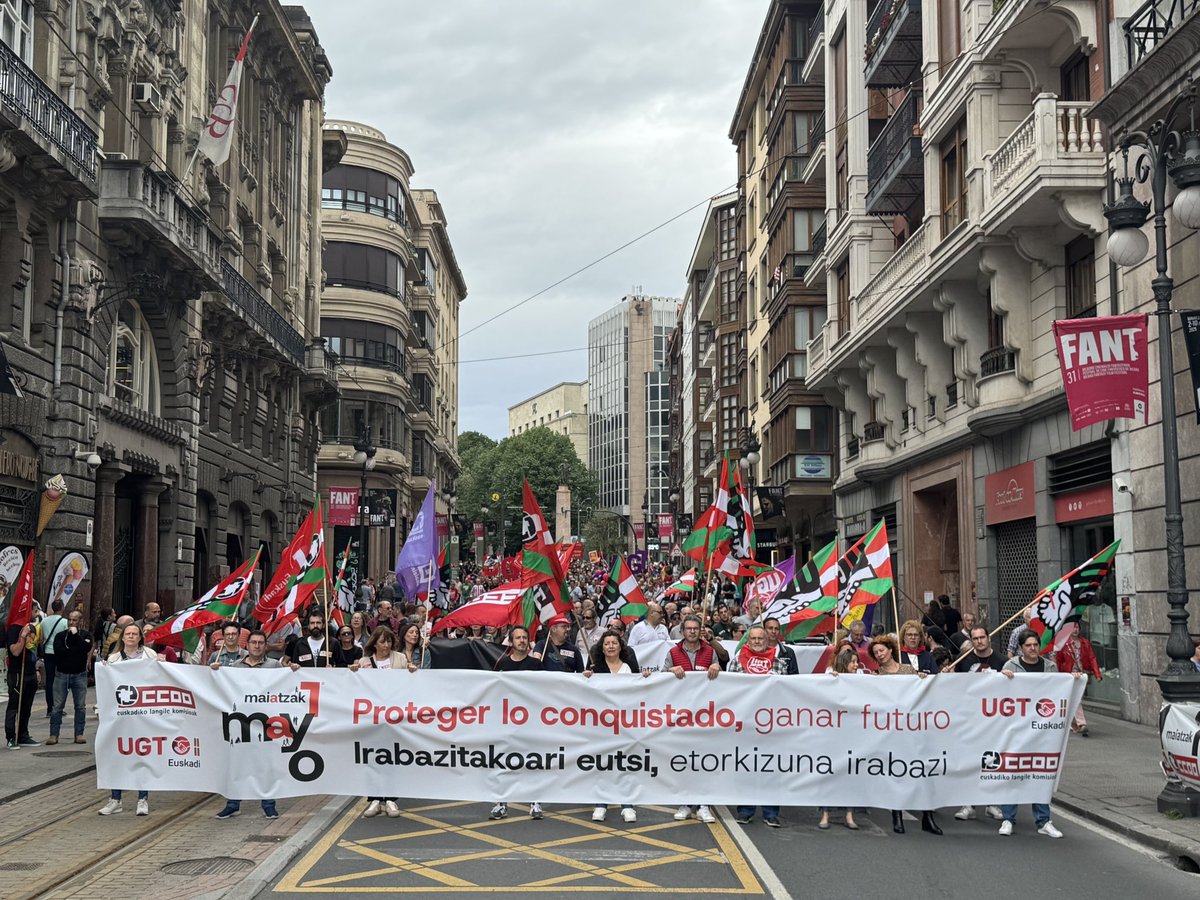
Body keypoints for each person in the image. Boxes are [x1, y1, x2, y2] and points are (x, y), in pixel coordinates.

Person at [997, 629, 1079, 838]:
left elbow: (1060, 689)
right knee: (1013, 772)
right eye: (1028, 645)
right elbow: (999, 694)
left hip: (1042, 731)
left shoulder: (1049, 666)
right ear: (1021, 647)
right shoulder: (1011, 666)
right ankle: (1008, 818)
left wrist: (1073, 679)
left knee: (1042, 773)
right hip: (1017, 729)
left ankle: (1043, 820)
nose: (1033, 649)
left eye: (1035, 645)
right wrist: (1002, 678)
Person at [213, 631, 289, 820]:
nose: (257, 646)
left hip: (266, 725)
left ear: (265, 645)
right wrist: (215, 673)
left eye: (261, 643)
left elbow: (287, 686)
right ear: (247, 645)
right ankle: (233, 804)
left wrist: (294, 669)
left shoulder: (275, 666)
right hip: (241, 724)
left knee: (266, 766)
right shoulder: (237, 667)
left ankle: (268, 805)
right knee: (237, 765)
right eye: (253, 642)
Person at [871, 635, 940, 836]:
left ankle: (928, 817)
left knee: (923, 772)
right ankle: (897, 816)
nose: (879, 655)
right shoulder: (877, 676)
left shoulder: (909, 671)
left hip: (914, 730)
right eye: (875, 653)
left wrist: (922, 680)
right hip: (892, 732)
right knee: (897, 773)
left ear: (891, 650)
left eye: (882, 650)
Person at [662, 615, 719, 824]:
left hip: (705, 716)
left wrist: (718, 668)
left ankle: (703, 804)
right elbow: (661, 678)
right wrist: (670, 671)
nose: (692, 632)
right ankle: (685, 803)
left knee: (703, 761)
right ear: (682, 631)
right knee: (684, 761)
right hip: (681, 716)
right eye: (689, 629)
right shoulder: (673, 653)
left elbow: (722, 679)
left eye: (696, 629)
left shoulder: (710, 652)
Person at [728, 626, 786, 827]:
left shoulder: (778, 663)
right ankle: (745, 810)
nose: (757, 641)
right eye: (753, 638)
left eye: (760, 638)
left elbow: (787, 692)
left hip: (770, 725)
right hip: (745, 724)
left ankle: (771, 813)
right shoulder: (736, 662)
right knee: (745, 768)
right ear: (747, 640)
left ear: (766, 640)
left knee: (771, 769)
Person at [99, 623, 156, 815]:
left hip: (143, 715)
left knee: (143, 755)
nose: (131, 636)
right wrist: (105, 670)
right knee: (117, 756)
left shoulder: (150, 656)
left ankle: (142, 799)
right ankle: (116, 799)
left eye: (135, 634)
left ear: (140, 637)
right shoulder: (114, 659)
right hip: (121, 716)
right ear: (122, 638)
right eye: (128, 634)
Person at [584, 631, 640, 822]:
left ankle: (627, 805)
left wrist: (646, 677)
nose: (610, 646)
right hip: (602, 724)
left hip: (625, 724)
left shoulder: (628, 667)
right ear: (602, 647)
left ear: (620, 646)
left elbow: (639, 690)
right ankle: (601, 804)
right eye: (606, 643)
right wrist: (586, 678)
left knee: (625, 764)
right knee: (603, 765)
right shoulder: (595, 667)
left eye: (614, 643)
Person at [490, 625, 543, 821]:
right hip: (507, 722)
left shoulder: (537, 664)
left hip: (531, 720)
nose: (521, 641)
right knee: (504, 762)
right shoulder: (502, 663)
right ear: (510, 642)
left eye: (524, 637)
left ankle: (535, 802)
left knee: (532, 762)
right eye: (517, 638)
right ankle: (501, 803)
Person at [351, 626, 404, 818]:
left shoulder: (400, 659)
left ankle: (390, 799)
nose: (386, 645)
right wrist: (354, 672)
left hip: (394, 717)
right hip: (372, 717)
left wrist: (413, 672)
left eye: (389, 641)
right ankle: (374, 799)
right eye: (382, 641)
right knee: (372, 757)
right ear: (374, 643)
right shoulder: (364, 662)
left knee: (392, 757)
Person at [48, 610, 91, 745]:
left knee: (80, 706)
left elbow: (86, 648)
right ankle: (53, 734)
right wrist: (75, 650)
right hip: (62, 674)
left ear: (80, 622)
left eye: (75, 620)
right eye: (70, 620)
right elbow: (59, 652)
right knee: (57, 706)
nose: (71, 622)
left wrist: (76, 636)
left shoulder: (85, 635)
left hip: (79, 675)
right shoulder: (61, 636)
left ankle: (79, 734)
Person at [1054, 630, 1102, 735]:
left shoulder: (1084, 642)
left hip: (1082, 674)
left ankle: (1072, 723)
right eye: (1073, 627)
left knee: (1075, 698)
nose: (1075, 630)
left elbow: (1091, 657)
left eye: (1077, 627)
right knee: (1077, 699)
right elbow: (1059, 660)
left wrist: (1097, 673)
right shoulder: (1064, 643)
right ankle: (1081, 723)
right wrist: (1059, 675)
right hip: (1069, 674)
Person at [6, 617, 39, 750]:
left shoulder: (32, 627)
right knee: (14, 706)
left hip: (30, 672)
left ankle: (23, 735)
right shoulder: (14, 629)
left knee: (26, 707)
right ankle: (11, 737)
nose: (35, 614)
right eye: (34, 611)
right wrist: (23, 637)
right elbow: (15, 651)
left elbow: (35, 650)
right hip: (18, 673)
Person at [39, 599, 68, 717]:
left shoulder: (44, 621)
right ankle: (59, 707)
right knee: (61, 680)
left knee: (50, 680)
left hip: (48, 653)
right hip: (61, 653)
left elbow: (41, 638)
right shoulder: (65, 622)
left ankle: (50, 708)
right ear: (62, 608)